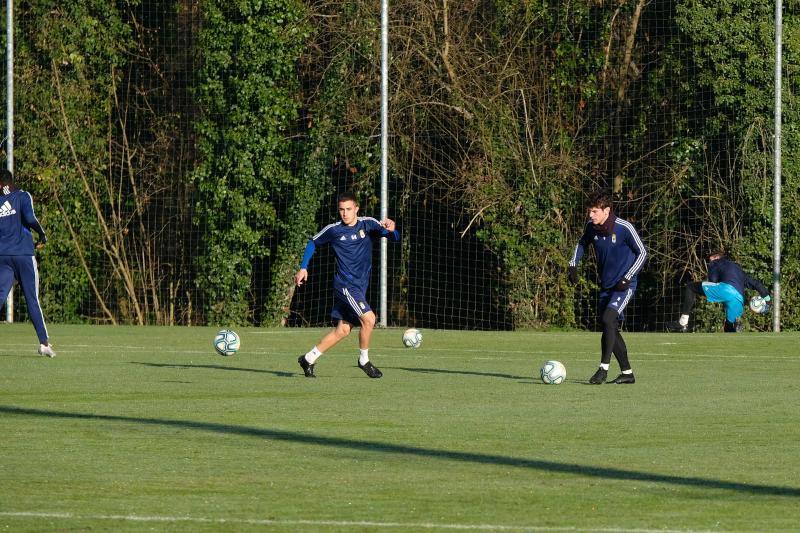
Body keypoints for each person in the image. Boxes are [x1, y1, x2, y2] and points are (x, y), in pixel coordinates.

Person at [294, 191, 399, 378]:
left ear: (356, 209)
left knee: (342, 330)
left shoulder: (368, 224)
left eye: (348, 209)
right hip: (345, 285)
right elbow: (313, 243)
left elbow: (393, 237)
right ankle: (363, 360)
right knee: (369, 319)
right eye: (341, 210)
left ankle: (308, 358)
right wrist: (303, 268)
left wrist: (392, 229)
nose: (345, 213)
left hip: (360, 286)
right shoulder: (333, 230)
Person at [568, 191, 647, 384]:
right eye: (589, 211)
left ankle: (603, 369)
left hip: (624, 286)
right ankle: (627, 373)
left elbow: (643, 253)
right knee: (610, 326)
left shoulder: (624, 227)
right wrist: (573, 264)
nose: (591, 215)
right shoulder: (591, 227)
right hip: (606, 286)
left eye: (594, 211)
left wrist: (628, 277)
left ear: (606, 211)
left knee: (608, 319)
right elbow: (582, 243)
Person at [0, 169, 56, 357]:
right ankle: (44, 343)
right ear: (11, 182)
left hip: (3, 256)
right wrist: (42, 235)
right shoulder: (23, 196)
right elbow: (30, 219)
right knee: (32, 299)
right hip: (23, 255)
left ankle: (44, 343)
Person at [665, 248, 770, 333]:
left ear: (716, 257)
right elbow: (757, 284)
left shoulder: (715, 263)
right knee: (728, 328)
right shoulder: (739, 269)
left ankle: (683, 323)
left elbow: (713, 280)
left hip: (725, 290)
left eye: (710, 258)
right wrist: (768, 300)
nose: (708, 261)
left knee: (691, 287)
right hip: (739, 300)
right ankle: (735, 327)